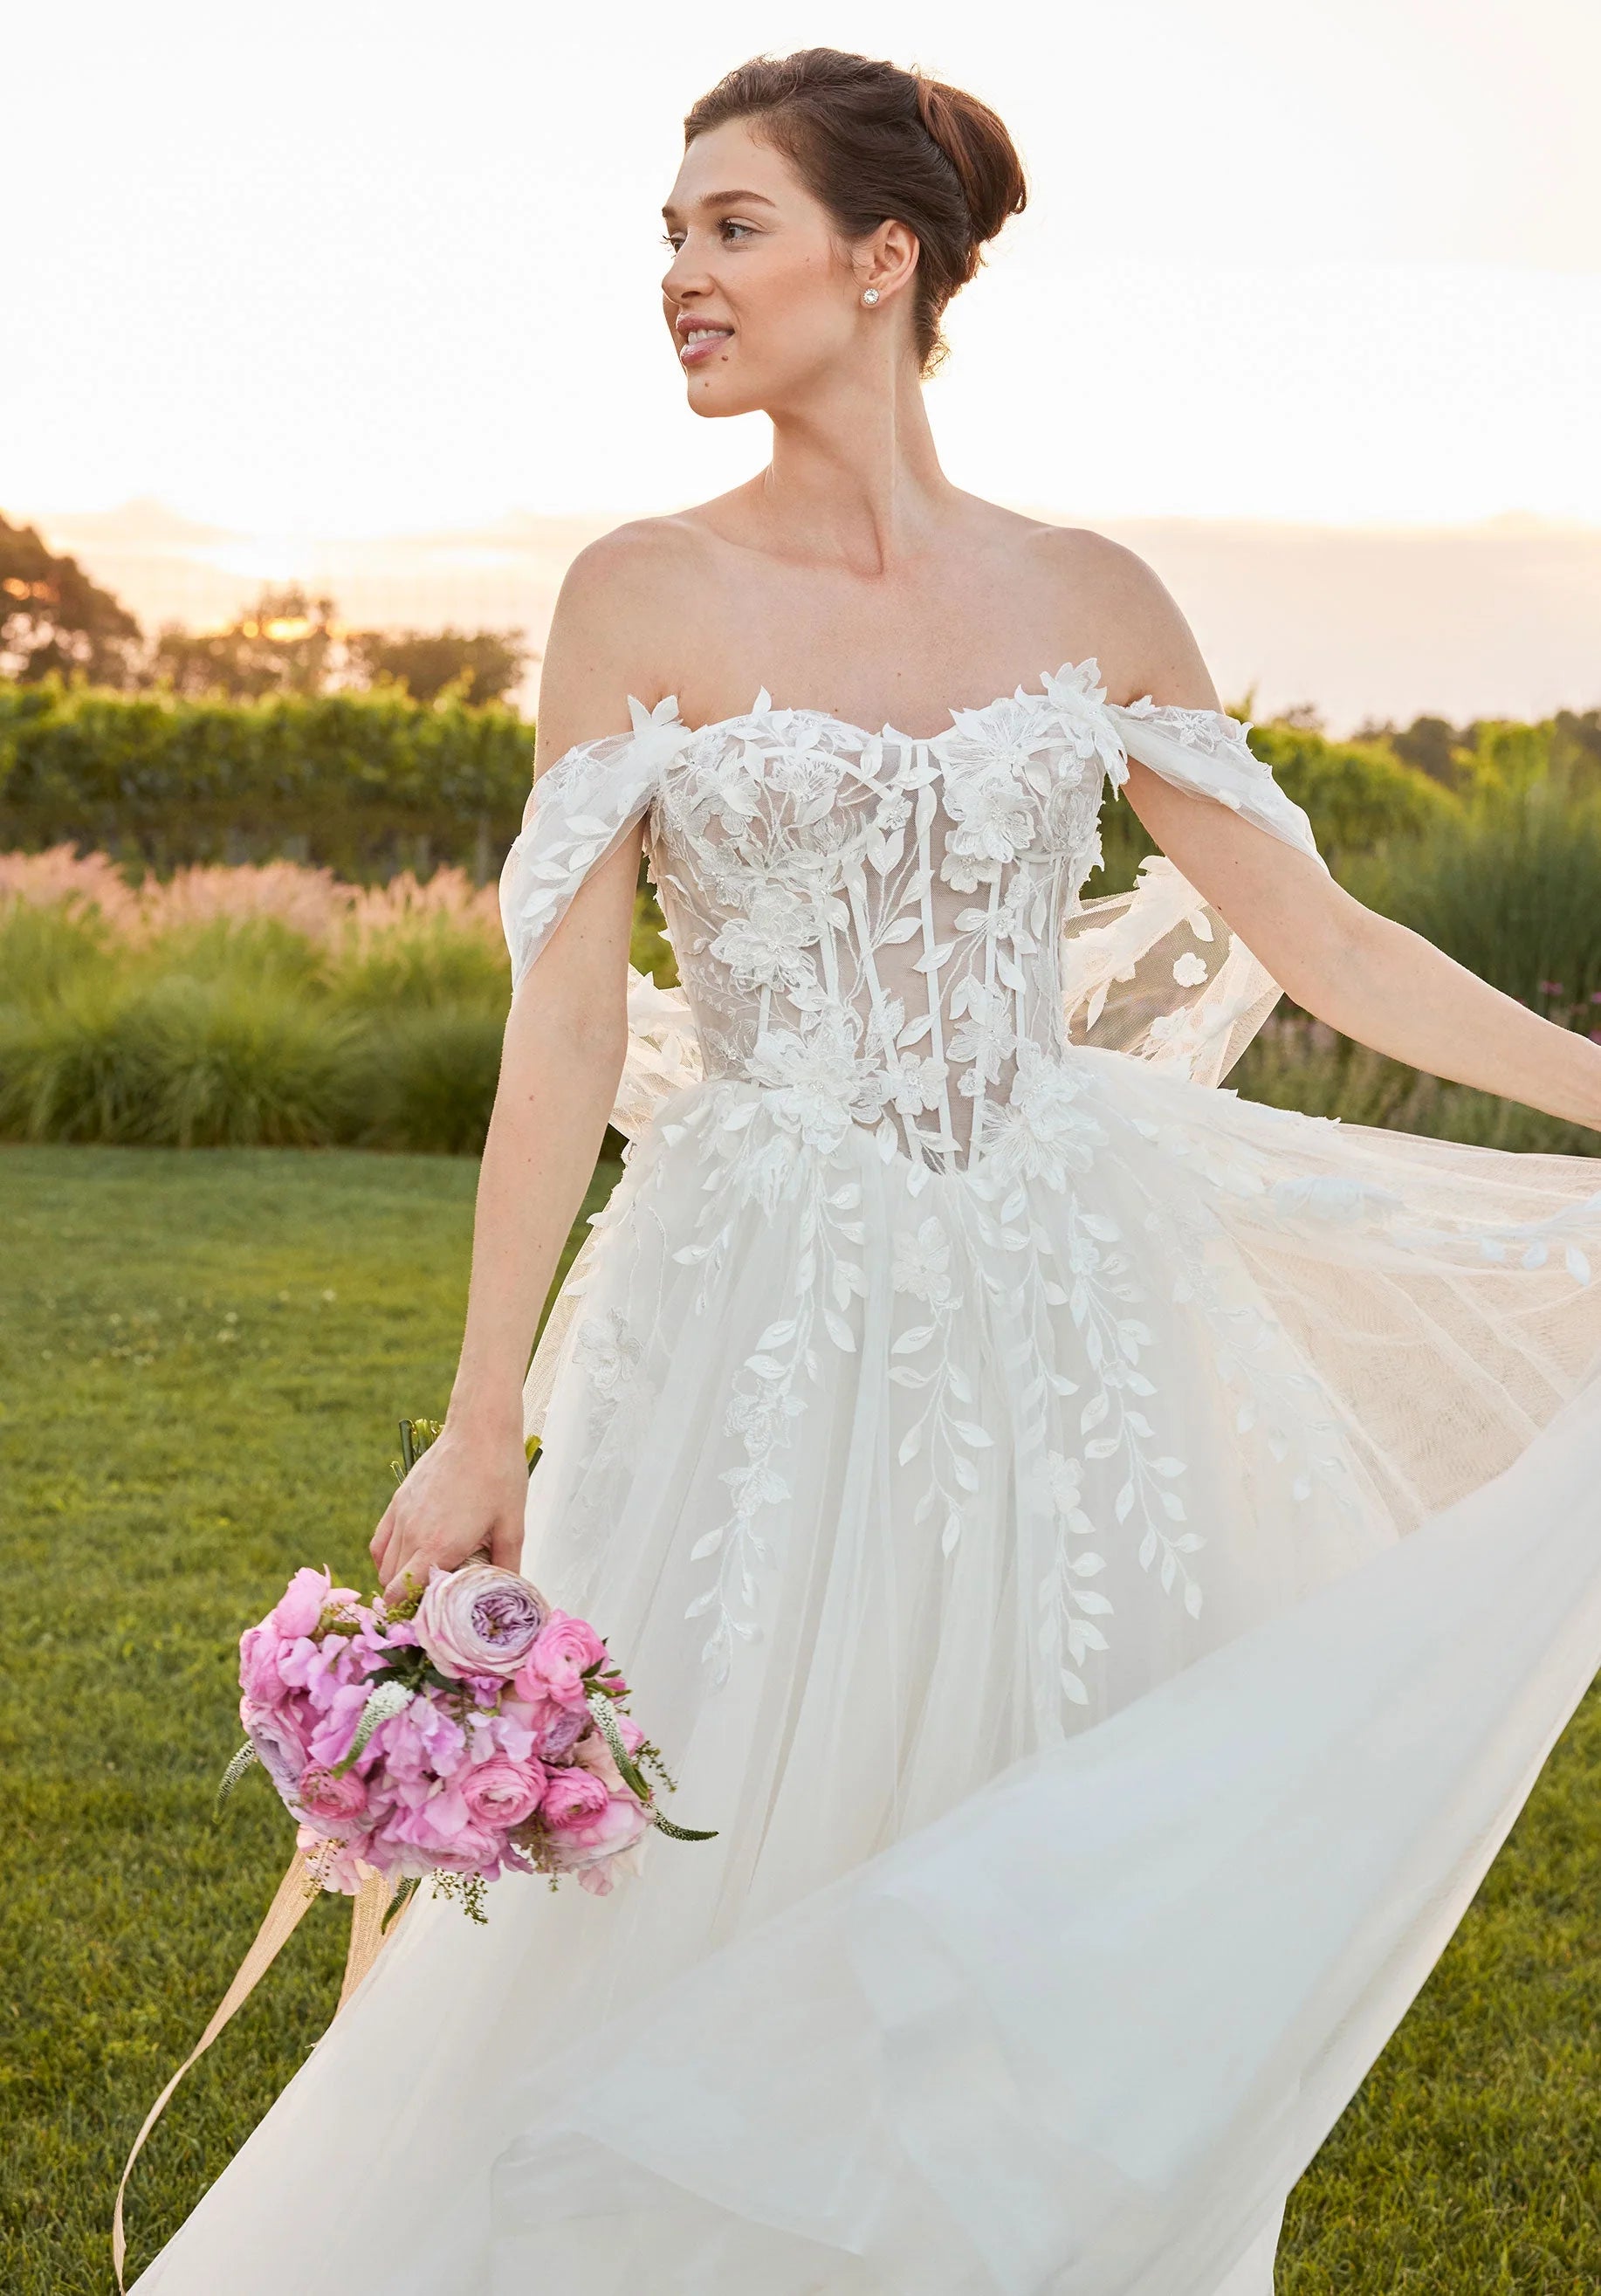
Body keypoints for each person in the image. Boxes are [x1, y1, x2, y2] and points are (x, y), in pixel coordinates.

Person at [132, 47, 1601, 2296]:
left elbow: (1323, 941)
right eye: (670, 235)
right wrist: (478, 1408)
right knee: (710, 1853)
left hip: (1070, 1309)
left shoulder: (1090, 592)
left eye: (731, 228)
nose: (679, 279)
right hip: (760, 1305)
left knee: (1059, 1851)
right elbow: (566, 1026)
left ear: (883, 258)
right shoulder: (637, 594)